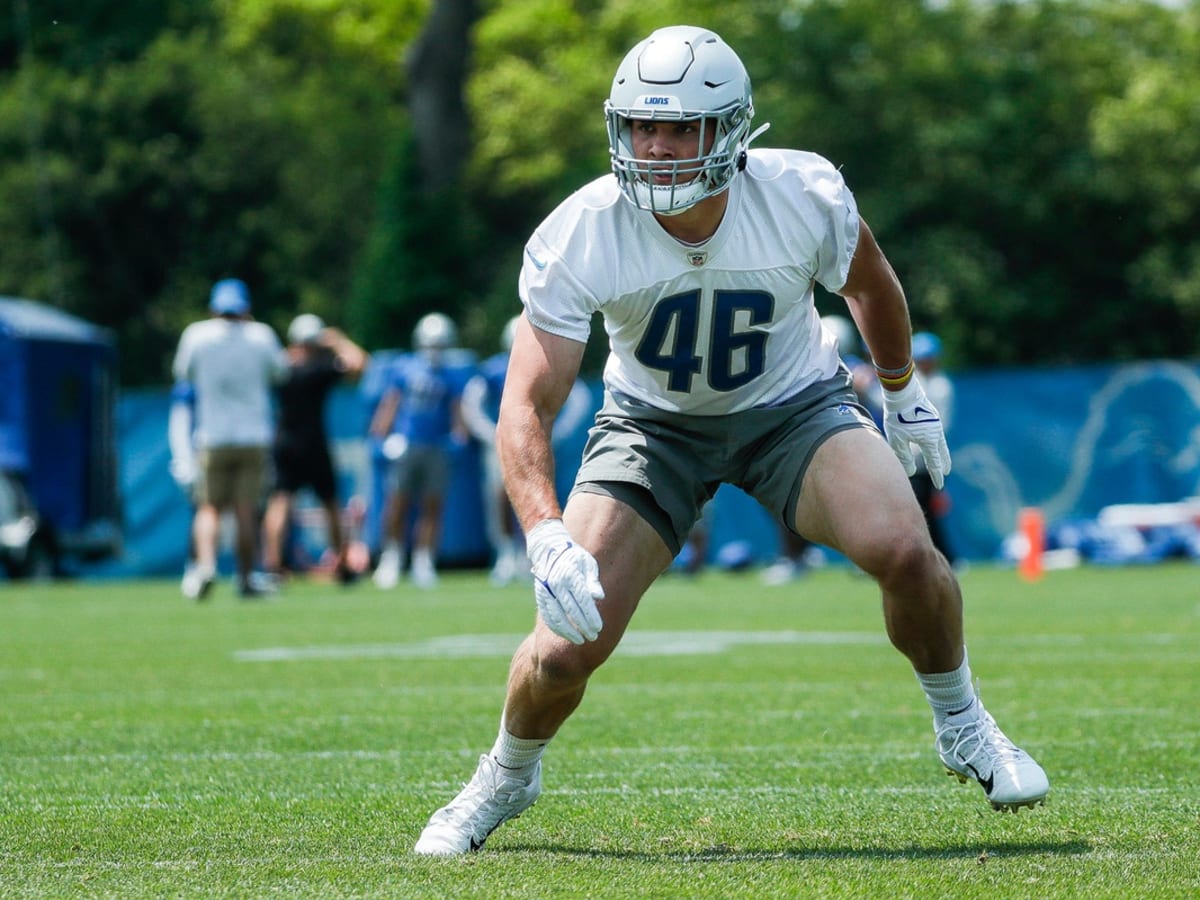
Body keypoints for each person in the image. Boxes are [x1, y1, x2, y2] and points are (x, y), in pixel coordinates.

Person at [413, 25, 1047, 856]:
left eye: (680, 127)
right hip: (652, 427)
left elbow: (871, 285)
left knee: (903, 546)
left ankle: (963, 722)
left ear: (732, 132)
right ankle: (506, 773)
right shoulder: (583, 230)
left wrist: (903, 392)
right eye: (641, 125)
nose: (656, 146)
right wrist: (542, 533)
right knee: (566, 651)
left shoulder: (801, 193)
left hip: (793, 408)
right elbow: (525, 403)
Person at [172, 278, 287, 599]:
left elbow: (183, 375)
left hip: (213, 436)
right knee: (246, 511)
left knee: (208, 507)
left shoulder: (197, 335)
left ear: (214, 309)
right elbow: (281, 374)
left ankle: (206, 566)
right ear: (246, 308)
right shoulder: (262, 335)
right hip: (254, 437)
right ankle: (246, 578)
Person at [461, 315, 593, 587]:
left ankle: (532, 554)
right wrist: (493, 434)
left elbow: (578, 395)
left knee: (540, 496)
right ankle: (506, 553)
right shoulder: (495, 370)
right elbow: (471, 402)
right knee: (500, 497)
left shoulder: (546, 361)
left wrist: (557, 432)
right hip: (508, 442)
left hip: (537, 442)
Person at [261, 314, 369, 583]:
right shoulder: (320, 369)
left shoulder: (282, 366)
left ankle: (273, 566)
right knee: (330, 504)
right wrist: (338, 341)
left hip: (284, 441)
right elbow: (360, 365)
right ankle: (341, 564)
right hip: (313, 444)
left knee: (280, 502)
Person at [370, 312, 468, 590]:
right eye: (431, 345)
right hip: (407, 443)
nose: (435, 351)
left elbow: (456, 409)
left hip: (436, 445)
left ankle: (423, 559)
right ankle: (392, 557)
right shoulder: (404, 368)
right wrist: (381, 435)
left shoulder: (451, 375)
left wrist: (458, 437)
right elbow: (390, 404)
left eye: (440, 345)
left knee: (432, 505)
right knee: (397, 503)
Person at [908, 331, 957, 566]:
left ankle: (942, 557)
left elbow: (936, 425)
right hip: (906, 456)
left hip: (924, 459)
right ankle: (939, 557)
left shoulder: (940, 385)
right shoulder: (914, 379)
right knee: (919, 510)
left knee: (923, 511)